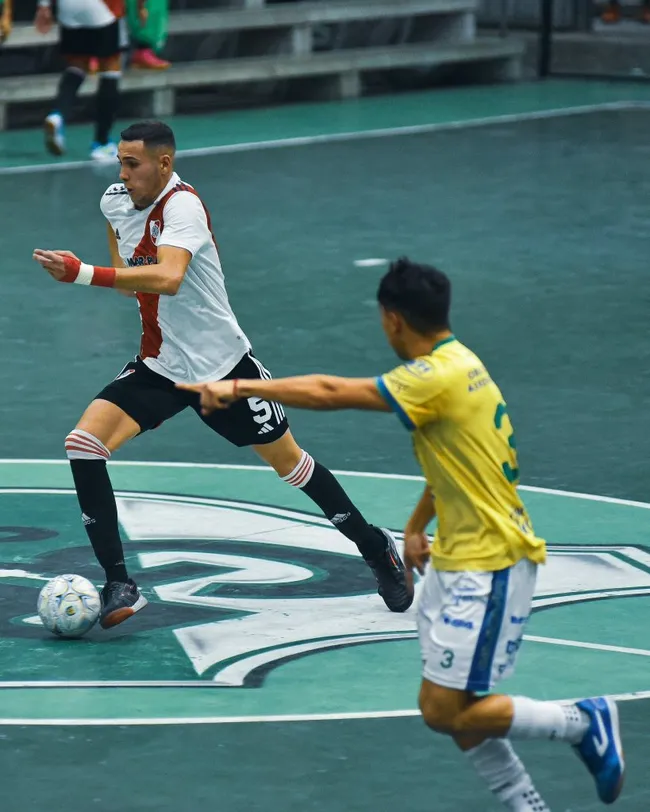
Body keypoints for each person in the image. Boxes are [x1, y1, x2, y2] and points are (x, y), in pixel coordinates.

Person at [178, 257, 625, 810]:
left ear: (392, 319)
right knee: (453, 706)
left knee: (446, 708)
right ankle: (527, 805)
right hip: (454, 557)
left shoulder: (432, 377)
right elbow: (457, 465)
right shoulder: (461, 363)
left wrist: (239, 386)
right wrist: (414, 527)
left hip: (494, 562)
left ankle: (583, 721)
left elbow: (329, 391)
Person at [31, 120, 411, 630]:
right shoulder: (115, 200)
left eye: (132, 163)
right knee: (83, 444)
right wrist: (101, 266)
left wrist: (82, 273)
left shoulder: (182, 206)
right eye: (120, 161)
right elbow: (129, 286)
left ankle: (374, 546)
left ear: (164, 164)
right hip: (160, 365)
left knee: (290, 465)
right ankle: (120, 581)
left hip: (224, 371)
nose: (122, 172)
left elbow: (168, 277)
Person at [34, 0, 146, 160]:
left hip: (68, 7)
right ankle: (102, 143)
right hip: (104, 7)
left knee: (77, 65)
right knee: (110, 69)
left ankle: (57, 115)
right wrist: (141, 7)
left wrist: (44, 5)